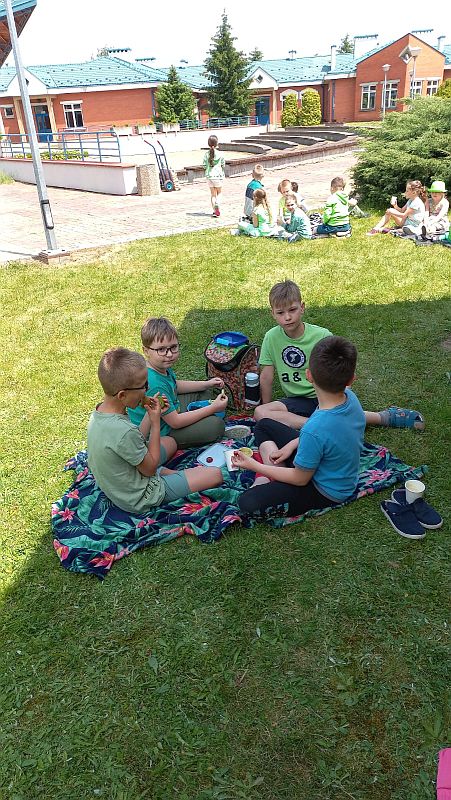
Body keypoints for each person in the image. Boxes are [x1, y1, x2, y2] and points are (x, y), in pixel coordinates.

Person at [254, 280, 425, 431]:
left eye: (292, 309)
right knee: (261, 412)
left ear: (302, 307)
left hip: (328, 395)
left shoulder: (322, 336)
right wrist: (267, 411)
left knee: (341, 414)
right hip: (298, 401)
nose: (287, 317)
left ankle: (384, 417)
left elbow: (339, 371)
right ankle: (318, 425)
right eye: (280, 313)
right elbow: (266, 377)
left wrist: (342, 398)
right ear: (273, 314)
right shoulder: (271, 337)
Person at [234, 336, 365, 519]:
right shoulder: (350, 398)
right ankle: (276, 472)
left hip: (324, 490)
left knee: (246, 502)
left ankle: (270, 475)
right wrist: (291, 445)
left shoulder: (315, 429)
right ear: (351, 380)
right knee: (263, 425)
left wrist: (255, 466)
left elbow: (300, 479)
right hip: (328, 464)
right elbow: (326, 435)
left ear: (308, 375)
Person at [87, 348, 223, 514]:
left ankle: (168, 474)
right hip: (141, 496)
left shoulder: (101, 413)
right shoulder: (124, 431)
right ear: (122, 395)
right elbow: (149, 469)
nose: (147, 390)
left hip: (125, 479)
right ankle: (168, 476)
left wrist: (150, 415)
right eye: (143, 386)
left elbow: (134, 440)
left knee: (170, 442)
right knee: (215, 474)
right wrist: (156, 422)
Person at [128, 317, 228, 448]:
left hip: (171, 411)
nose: (169, 354)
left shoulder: (159, 366)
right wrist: (213, 408)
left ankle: (199, 411)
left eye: (173, 347)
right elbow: (175, 422)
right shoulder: (154, 384)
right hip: (163, 431)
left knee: (205, 392)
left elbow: (174, 386)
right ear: (146, 351)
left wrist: (206, 384)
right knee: (216, 426)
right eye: (161, 349)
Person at [203, 134, 225, 217]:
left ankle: (215, 211)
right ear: (217, 143)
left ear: (208, 144)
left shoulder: (206, 154)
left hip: (209, 176)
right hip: (218, 176)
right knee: (219, 193)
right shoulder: (220, 154)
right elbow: (223, 164)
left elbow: (204, 166)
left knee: (213, 194)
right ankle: (217, 204)